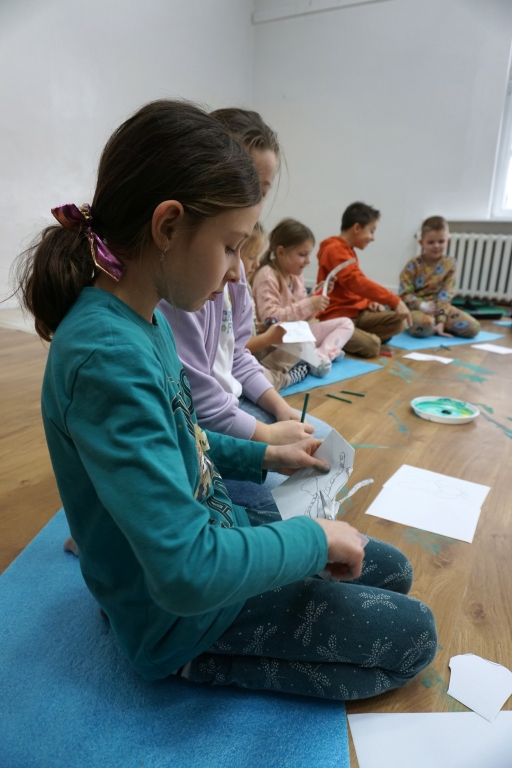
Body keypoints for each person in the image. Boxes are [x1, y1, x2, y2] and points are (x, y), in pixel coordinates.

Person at [15, 100, 437, 700]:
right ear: (168, 227)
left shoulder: (144, 318)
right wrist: (311, 541)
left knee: (388, 568)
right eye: (232, 246)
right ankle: (185, 660)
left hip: (208, 534)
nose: (238, 273)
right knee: (414, 636)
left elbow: (182, 435)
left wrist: (266, 456)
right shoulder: (105, 356)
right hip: (177, 610)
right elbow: (186, 572)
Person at [158, 109, 329, 443]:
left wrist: (280, 409)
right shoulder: (186, 284)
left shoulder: (233, 280)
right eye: (242, 185)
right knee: (308, 462)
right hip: (207, 423)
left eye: (261, 191)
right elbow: (198, 403)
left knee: (323, 441)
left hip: (229, 405)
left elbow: (237, 356)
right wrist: (268, 443)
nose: (239, 273)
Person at [251, 218, 354, 376]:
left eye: (309, 254)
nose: (308, 260)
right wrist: (310, 304)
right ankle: (318, 358)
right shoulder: (267, 275)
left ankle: (320, 356)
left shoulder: (296, 276)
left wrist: (315, 299)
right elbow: (270, 319)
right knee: (304, 339)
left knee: (346, 323)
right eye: (302, 254)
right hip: (273, 341)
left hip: (296, 335)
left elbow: (302, 318)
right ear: (280, 252)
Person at [316, 202, 411, 358]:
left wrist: (368, 302)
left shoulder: (348, 250)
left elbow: (352, 286)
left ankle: (354, 337)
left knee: (400, 321)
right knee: (372, 346)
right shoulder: (334, 249)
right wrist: (394, 300)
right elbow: (356, 282)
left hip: (357, 315)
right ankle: (335, 336)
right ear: (357, 228)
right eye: (371, 231)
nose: (373, 238)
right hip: (337, 319)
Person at [242, 221, 309, 392]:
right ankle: (282, 378)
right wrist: (268, 337)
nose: (256, 264)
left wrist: (262, 327)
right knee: (250, 379)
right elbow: (234, 348)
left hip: (252, 351)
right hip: (244, 357)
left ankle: (267, 375)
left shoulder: (244, 287)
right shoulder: (266, 275)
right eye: (252, 257)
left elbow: (247, 329)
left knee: (302, 336)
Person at [399, 216, 480, 339]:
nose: (436, 246)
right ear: (421, 243)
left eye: (441, 241)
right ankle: (426, 324)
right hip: (417, 309)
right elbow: (404, 295)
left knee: (474, 327)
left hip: (442, 309)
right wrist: (422, 306)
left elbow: (446, 295)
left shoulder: (450, 264)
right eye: (431, 242)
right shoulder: (413, 265)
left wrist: (441, 320)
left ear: (447, 241)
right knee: (425, 325)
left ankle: (437, 325)